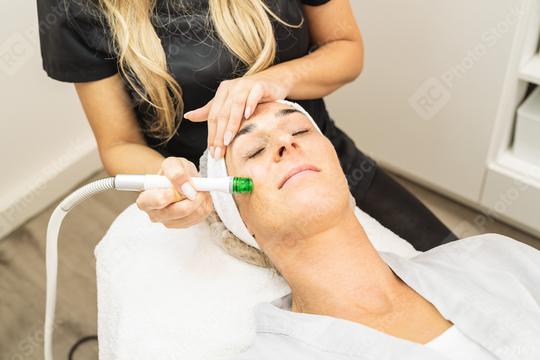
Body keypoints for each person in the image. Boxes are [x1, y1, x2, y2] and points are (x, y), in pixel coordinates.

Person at [37, 0, 457, 250]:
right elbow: (118, 144)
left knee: (453, 270)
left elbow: (346, 50)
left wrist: (274, 79)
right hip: (212, 200)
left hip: (329, 167)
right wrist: (174, 180)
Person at [202, 100, 540, 360]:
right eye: (256, 150)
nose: (285, 144)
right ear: (237, 220)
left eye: (300, 131)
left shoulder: (493, 258)